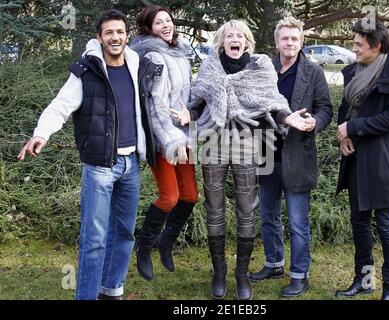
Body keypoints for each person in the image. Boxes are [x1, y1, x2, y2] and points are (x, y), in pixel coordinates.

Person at [17, 9, 157, 300]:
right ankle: (87, 296)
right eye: (109, 33)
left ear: (126, 35)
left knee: (124, 234)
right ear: (99, 37)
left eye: (119, 32)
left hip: (131, 164)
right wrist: (41, 134)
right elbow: (60, 106)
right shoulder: (87, 71)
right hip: (99, 167)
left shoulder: (137, 66)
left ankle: (112, 290)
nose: (115, 37)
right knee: (93, 239)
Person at [178, 19, 313, 300]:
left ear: (247, 41)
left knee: (246, 209)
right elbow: (198, 102)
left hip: (247, 142)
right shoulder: (210, 66)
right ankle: (218, 272)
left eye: (240, 35)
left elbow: (271, 102)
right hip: (213, 141)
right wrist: (187, 116)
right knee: (214, 208)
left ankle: (241, 274)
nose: (235, 38)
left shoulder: (260, 67)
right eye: (230, 35)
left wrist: (287, 118)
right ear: (222, 41)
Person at [248, 17, 333, 298]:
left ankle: (299, 274)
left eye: (295, 39)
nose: (290, 43)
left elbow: (325, 109)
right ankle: (273, 263)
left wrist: (314, 123)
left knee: (298, 222)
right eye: (285, 39)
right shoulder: (264, 70)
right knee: (268, 216)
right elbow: (253, 105)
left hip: (298, 155)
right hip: (267, 153)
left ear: (301, 42)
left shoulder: (313, 73)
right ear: (276, 41)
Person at [335, 20, 389, 300]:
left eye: (359, 44)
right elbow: (345, 109)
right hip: (356, 161)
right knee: (360, 224)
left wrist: (353, 129)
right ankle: (365, 281)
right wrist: (343, 135)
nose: (353, 49)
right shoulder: (354, 72)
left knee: (387, 226)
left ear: (376, 47)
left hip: (383, 164)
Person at [130, 5, 198, 282]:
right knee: (169, 197)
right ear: (149, 28)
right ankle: (144, 247)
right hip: (163, 139)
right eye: (159, 22)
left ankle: (165, 242)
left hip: (184, 135)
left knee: (191, 196)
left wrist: (191, 127)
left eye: (168, 20)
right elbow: (155, 107)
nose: (166, 25)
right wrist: (170, 140)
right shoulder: (154, 56)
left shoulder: (179, 53)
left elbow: (188, 97)